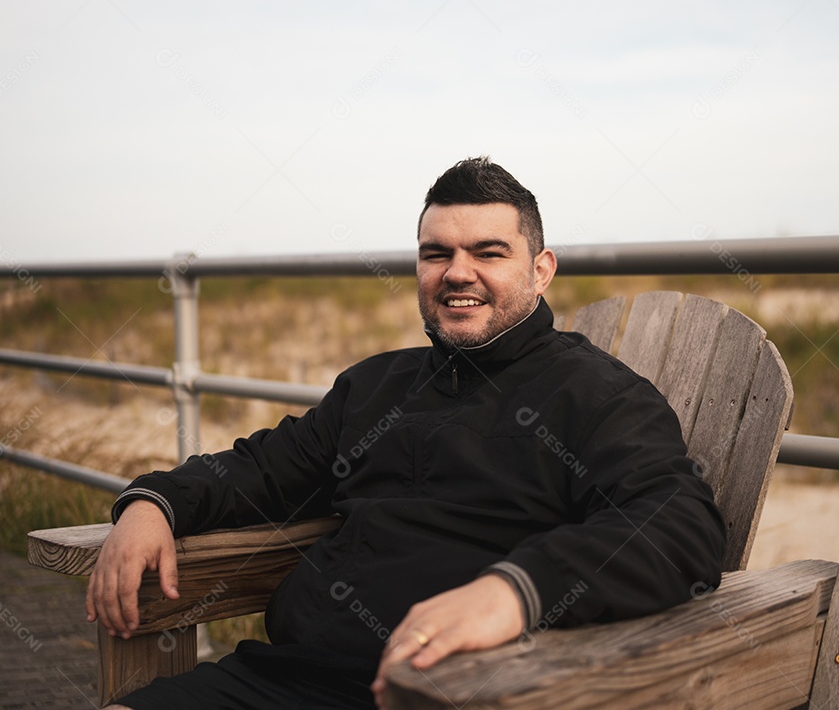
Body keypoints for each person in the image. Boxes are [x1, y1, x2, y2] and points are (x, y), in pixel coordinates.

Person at [87, 157, 726, 709]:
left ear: (540, 270)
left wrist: (515, 592)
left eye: (488, 252)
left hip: (459, 692)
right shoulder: (374, 388)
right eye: (436, 253)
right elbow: (261, 470)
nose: (457, 272)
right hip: (286, 683)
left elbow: (678, 524)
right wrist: (155, 503)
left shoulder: (595, 396)